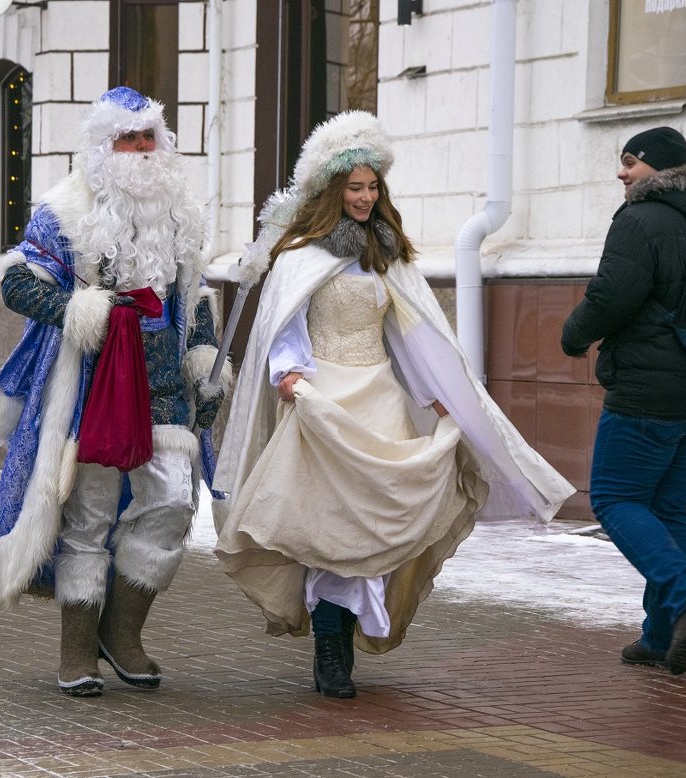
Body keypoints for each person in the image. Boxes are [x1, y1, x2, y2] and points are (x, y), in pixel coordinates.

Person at [214, 111, 574, 698]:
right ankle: (330, 652)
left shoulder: (390, 254)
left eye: (372, 185)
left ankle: (343, 642)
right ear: (333, 191)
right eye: (353, 187)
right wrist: (290, 376)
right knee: (332, 529)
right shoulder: (301, 254)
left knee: (374, 531)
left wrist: (438, 396)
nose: (364, 196)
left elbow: (415, 334)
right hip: (320, 401)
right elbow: (284, 326)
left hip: (378, 398)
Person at [0, 87, 231, 697]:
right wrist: (83, 309)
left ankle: (121, 630)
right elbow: (17, 287)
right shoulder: (63, 214)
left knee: (170, 506)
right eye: (126, 140)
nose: (139, 151)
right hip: (95, 385)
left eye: (148, 139)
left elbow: (197, 299)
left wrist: (205, 359)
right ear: (101, 148)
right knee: (89, 511)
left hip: (165, 387)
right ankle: (78, 650)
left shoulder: (182, 213)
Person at [561, 126, 686, 676]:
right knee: (663, 509)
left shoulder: (640, 218)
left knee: (614, 500)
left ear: (656, 170)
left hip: (650, 392)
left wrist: (573, 334)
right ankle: (662, 634)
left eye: (631, 162)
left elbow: (612, 294)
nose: (621, 172)